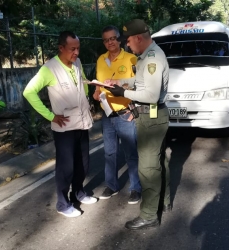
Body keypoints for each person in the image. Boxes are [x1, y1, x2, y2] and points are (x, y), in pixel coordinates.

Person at [23, 31, 97, 218]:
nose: (76, 53)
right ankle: (63, 204)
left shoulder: (77, 64)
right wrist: (50, 116)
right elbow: (29, 92)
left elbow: (82, 83)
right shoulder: (49, 68)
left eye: (78, 48)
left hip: (82, 122)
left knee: (83, 164)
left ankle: (78, 194)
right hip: (64, 127)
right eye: (72, 49)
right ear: (61, 48)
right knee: (66, 167)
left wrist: (89, 97)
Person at [105, 19, 170, 230]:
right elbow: (142, 82)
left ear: (138, 38)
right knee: (158, 161)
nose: (127, 45)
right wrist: (121, 82)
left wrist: (122, 92)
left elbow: (150, 95)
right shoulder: (147, 56)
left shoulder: (152, 58)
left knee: (148, 168)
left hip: (151, 117)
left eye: (128, 40)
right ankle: (164, 201)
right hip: (151, 116)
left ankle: (150, 215)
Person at [92, 25, 141, 204]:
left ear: (119, 39)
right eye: (106, 40)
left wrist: (133, 108)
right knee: (110, 153)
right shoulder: (101, 60)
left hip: (125, 112)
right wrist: (96, 92)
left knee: (131, 153)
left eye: (112, 38)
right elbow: (98, 83)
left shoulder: (131, 59)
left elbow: (139, 84)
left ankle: (136, 188)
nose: (109, 42)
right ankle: (112, 185)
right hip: (107, 113)